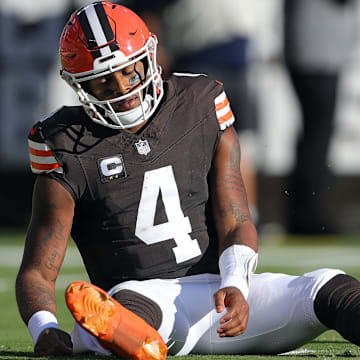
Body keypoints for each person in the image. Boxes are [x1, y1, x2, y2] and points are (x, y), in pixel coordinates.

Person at [15, 2, 360, 359]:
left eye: (129, 72)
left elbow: (237, 220)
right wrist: (45, 329)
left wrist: (235, 284)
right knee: (123, 307)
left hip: (227, 294)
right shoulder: (64, 142)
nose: (122, 90)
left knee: (329, 285)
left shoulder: (199, 102)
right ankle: (114, 338)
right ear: (79, 86)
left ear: (149, 56)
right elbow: (39, 269)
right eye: (103, 82)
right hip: (145, 299)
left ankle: (102, 343)